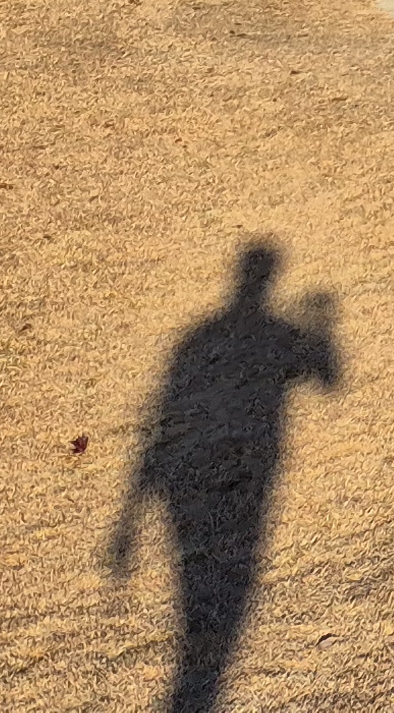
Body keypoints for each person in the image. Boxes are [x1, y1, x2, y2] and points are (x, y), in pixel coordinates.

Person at [108, 243, 340, 713]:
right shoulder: (274, 332)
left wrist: (129, 519)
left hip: (189, 481)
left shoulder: (196, 338)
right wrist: (322, 330)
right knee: (227, 581)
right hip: (250, 472)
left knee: (197, 579)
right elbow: (329, 379)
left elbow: (160, 415)